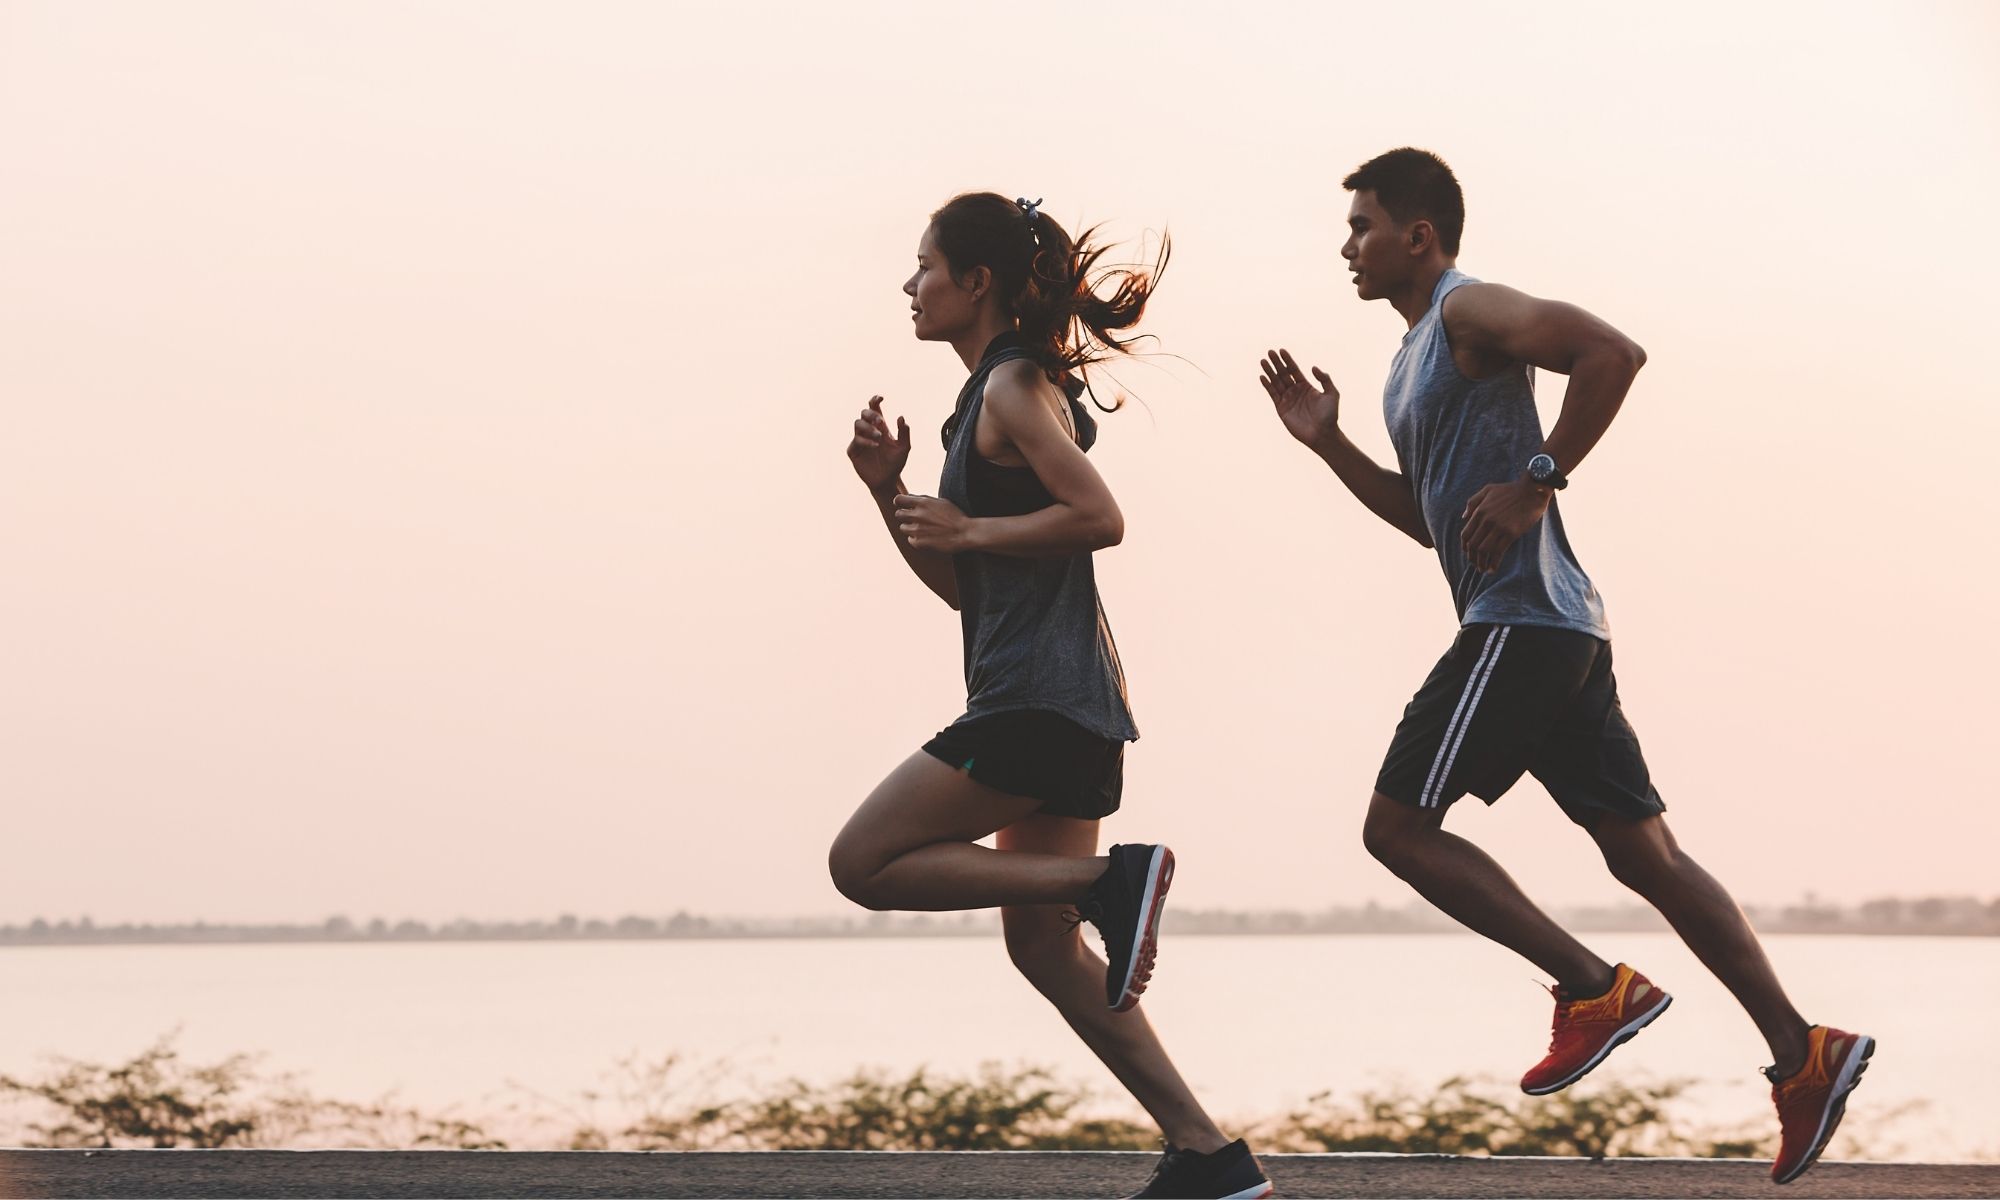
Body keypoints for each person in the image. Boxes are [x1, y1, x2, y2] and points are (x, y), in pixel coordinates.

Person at [1257, 148, 1872, 1186]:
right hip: (1557, 627)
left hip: (1520, 624)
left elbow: (1611, 353)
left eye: (1360, 225)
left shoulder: (1469, 309)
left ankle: (1593, 987)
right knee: (1646, 859)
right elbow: (1429, 522)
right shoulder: (1411, 358)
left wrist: (1539, 480)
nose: (1344, 245)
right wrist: (1327, 445)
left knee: (1395, 829)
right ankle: (1801, 1054)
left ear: (1416, 233)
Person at [831, 191, 1271, 1200]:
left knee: (862, 863)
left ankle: (1107, 883)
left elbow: (1099, 517)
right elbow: (965, 593)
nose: (910, 284)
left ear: (975, 281)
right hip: (1061, 703)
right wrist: (888, 497)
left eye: (925, 265)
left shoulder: (1012, 387)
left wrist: (972, 530)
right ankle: (1210, 1157)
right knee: (1041, 949)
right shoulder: (982, 401)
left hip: (1034, 707)